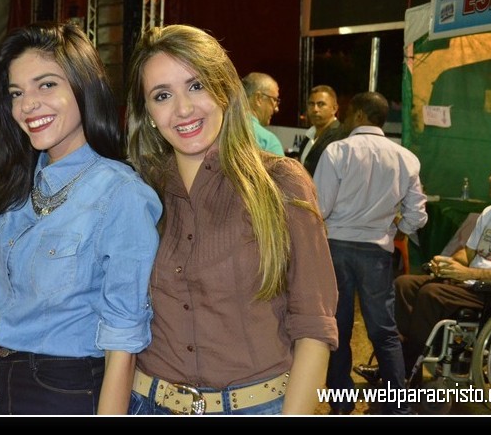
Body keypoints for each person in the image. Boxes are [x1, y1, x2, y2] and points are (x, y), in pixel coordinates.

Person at [126, 25, 338, 415]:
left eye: (196, 86)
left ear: (224, 90)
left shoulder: (281, 183)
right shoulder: (138, 192)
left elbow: (314, 325)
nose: (183, 109)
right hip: (147, 403)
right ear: (148, 114)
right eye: (162, 95)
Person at [0, 22, 162, 415]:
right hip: (2, 390)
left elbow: (123, 345)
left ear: (83, 87)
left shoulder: (121, 194)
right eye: (16, 93)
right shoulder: (19, 182)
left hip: (67, 392)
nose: (27, 105)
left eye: (47, 85)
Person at [313, 91, 427, 415]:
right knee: (384, 331)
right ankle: (396, 405)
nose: (346, 120)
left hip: (336, 248)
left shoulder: (337, 151)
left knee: (338, 328)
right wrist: (397, 228)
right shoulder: (405, 158)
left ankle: (341, 403)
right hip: (376, 251)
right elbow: (417, 215)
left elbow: (320, 207)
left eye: (349, 114)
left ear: (360, 115)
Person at [381, 153, 491, 385]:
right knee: (404, 284)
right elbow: (468, 254)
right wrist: (448, 263)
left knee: (431, 294)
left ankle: (407, 369)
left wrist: (469, 273)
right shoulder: (490, 212)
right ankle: (396, 363)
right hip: (472, 284)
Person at [298, 85, 346, 176]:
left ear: (334, 108)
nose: (315, 109)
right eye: (311, 104)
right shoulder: (309, 136)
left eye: (321, 104)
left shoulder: (342, 136)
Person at [241, 72, 285, 155]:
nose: (276, 109)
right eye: (274, 100)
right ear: (258, 98)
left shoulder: (220, 129)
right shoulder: (269, 143)